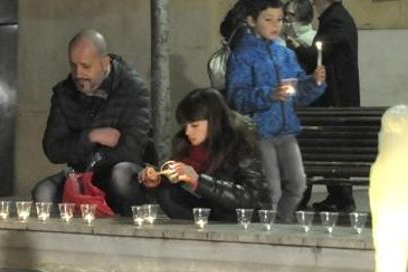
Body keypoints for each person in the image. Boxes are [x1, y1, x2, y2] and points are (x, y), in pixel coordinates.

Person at [225, 0, 326, 223]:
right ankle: (271, 231)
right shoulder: (242, 56)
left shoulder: (285, 54)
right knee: (271, 190)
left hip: (286, 131)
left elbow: (298, 93)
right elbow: (237, 97)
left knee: (298, 184)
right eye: (268, 19)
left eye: (279, 19)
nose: (276, 25)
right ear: (252, 21)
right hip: (259, 133)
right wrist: (269, 94)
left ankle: (280, 223)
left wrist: (314, 83)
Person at [34, 29, 151, 216]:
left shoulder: (133, 89)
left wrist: (90, 161)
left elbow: (132, 150)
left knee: (121, 177)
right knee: (43, 193)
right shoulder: (64, 93)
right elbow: (53, 149)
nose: (78, 73)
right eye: (73, 66)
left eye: (86, 66)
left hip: (116, 172)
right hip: (79, 175)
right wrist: (91, 136)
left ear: (104, 63)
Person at [138, 88, 270, 221]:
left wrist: (198, 181)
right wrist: (157, 179)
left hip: (242, 218)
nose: (188, 132)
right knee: (166, 192)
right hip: (211, 211)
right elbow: (173, 178)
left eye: (194, 126)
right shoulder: (186, 144)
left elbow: (249, 197)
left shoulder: (240, 142)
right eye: (185, 126)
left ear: (214, 121)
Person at [290, 0, 360, 213]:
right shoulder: (333, 19)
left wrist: (294, 46)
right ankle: (338, 197)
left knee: (332, 147)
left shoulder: (337, 20)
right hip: (333, 96)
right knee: (330, 148)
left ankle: (342, 198)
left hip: (336, 98)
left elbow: (318, 57)